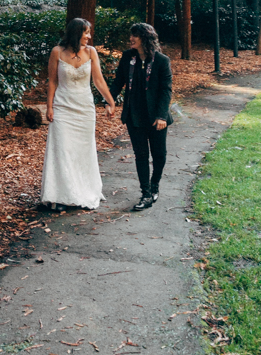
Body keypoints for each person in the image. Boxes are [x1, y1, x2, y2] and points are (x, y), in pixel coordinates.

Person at [41, 17, 115, 211]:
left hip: (84, 108)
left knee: (83, 151)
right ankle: (60, 196)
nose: (89, 37)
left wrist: (111, 100)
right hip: (63, 106)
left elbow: (98, 80)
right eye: (86, 33)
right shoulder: (57, 52)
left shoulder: (91, 52)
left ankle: (83, 191)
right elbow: (52, 81)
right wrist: (49, 107)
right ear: (76, 33)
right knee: (63, 150)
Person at [109, 22, 172, 211]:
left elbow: (166, 90)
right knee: (141, 155)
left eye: (135, 35)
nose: (131, 39)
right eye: (131, 35)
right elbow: (119, 80)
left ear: (145, 38)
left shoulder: (162, 61)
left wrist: (161, 115)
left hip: (156, 117)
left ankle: (155, 186)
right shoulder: (128, 57)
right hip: (134, 115)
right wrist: (109, 102)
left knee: (159, 155)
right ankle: (145, 193)